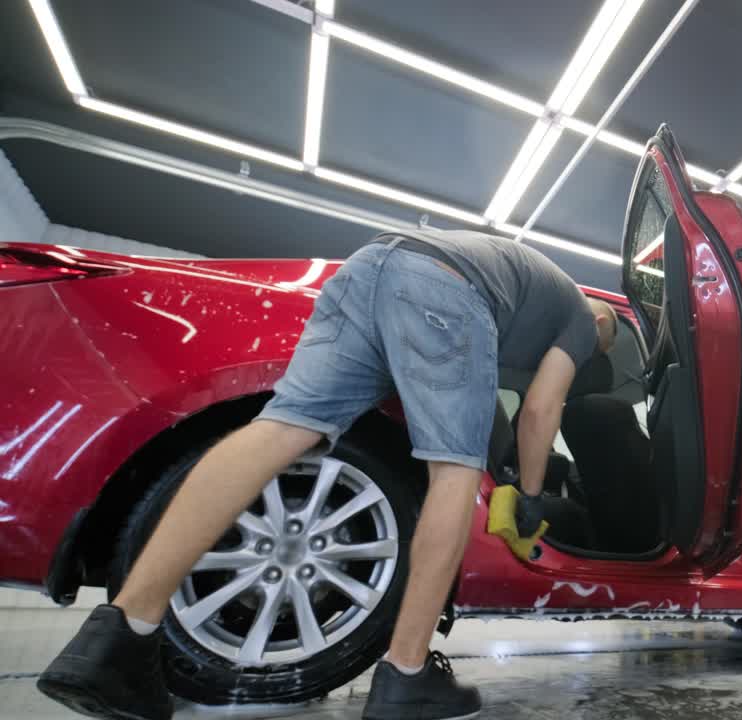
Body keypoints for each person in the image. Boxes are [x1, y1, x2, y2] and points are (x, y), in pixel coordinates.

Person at [38, 229, 619, 720]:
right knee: (454, 472)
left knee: (281, 429)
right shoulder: (581, 318)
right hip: (440, 285)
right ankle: (406, 675)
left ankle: (120, 636)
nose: (593, 355)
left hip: (366, 269)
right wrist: (534, 496)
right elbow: (542, 409)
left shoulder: (524, 283)